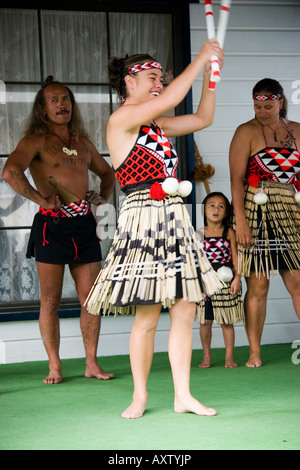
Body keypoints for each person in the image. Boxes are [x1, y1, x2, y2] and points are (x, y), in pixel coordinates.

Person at [85, 39, 225, 418]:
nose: (159, 84)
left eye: (161, 78)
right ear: (130, 82)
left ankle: (183, 396)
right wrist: (201, 58)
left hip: (174, 218)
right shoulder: (122, 120)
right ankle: (140, 396)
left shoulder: (157, 124)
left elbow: (201, 120)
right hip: (143, 218)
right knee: (147, 313)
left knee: (185, 308)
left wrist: (212, 78)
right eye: (152, 77)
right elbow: (169, 99)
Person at [2, 76, 115, 384]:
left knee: (91, 298)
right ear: (43, 110)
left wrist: (102, 197)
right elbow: (10, 171)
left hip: (84, 225)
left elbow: (108, 174)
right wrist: (40, 199)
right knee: (50, 299)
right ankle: (55, 365)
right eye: (54, 100)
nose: (62, 104)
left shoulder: (81, 142)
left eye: (65, 99)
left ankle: (91, 363)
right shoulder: (35, 141)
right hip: (52, 225)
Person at [229, 78, 300, 368]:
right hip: (255, 210)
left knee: (297, 281)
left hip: (290, 211)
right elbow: (236, 180)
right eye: (257, 106)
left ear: (280, 102)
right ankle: (254, 351)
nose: (262, 111)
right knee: (258, 286)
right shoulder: (245, 131)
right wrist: (241, 222)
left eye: (268, 106)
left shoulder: (296, 130)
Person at [196, 192, 244, 369]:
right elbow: (197, 260)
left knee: (226, 321)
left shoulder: (229, 232)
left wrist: (237, 278)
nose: (216, 209)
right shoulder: (199, 234)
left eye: (221, 206)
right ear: (204, 210)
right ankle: (206, 356)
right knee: (205, 321)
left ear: (226, 212)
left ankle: (229, 356)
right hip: (205, 281)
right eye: (212, 205)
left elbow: (237, 257)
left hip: (226, 279)